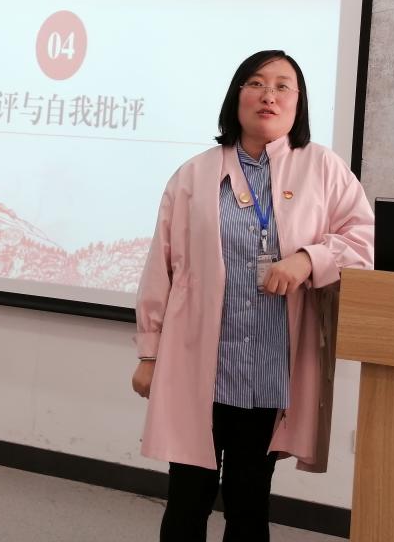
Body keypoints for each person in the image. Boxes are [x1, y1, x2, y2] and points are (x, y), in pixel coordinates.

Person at [131, 50, 374, 542]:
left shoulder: (323, 168)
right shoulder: (193, 175)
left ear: (298, 102)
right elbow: (162, 267)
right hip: (199, 363)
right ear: (236, 96)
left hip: (268, 369)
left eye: (283, 86)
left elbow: (361, 243)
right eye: (257, 83)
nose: (269, 95)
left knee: (248, 501)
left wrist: (308, 259)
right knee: (187, 498)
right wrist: (149, 353)